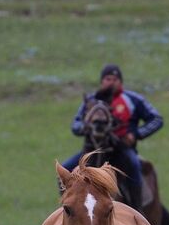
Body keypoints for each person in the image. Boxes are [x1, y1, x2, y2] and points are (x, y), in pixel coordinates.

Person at [64, 64, 163, 207]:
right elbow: (76, 125)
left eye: (115, 79)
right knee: (66, 168)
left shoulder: (133, 99)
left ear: (121, 82)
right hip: (91, 151)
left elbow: (156, 119)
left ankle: (137, 209)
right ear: (102, 82)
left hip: (120, 149)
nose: (111, 82)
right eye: (108, 78)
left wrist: (136, 134)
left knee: (134, 165)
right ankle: (67, 208)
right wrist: (86, 127)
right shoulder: (92, 101)